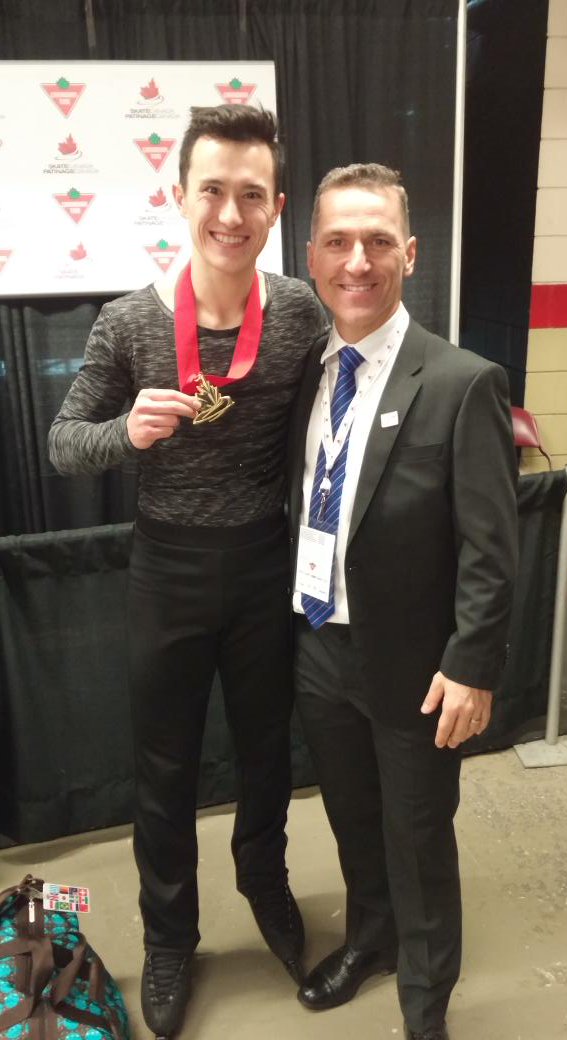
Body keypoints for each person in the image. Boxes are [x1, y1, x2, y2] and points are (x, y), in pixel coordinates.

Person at [48, 104, 327, 1039]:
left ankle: (266, 886)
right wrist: (125, 433)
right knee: (163, 768)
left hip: (262, 565)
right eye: (212, 190)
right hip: (165, 566)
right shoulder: (130, 322)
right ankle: (170, 936)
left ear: (276, 206)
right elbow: (63, 442)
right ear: (180, 198)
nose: (230, 213)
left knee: (266, 753)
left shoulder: (297, 314)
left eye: (252, 194)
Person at [288, 163, 518, 1040]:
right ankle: (370, 940)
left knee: (417, 839)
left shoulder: (462, 382)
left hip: (417, 671)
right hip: (319, 646)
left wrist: (471, 666)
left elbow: (491, 548)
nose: (357, 261)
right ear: (311, 255)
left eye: (377, 241)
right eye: (338, 242)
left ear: (409, 254)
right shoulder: (306, 375)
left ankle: (424, 1008)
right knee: (353, 823)